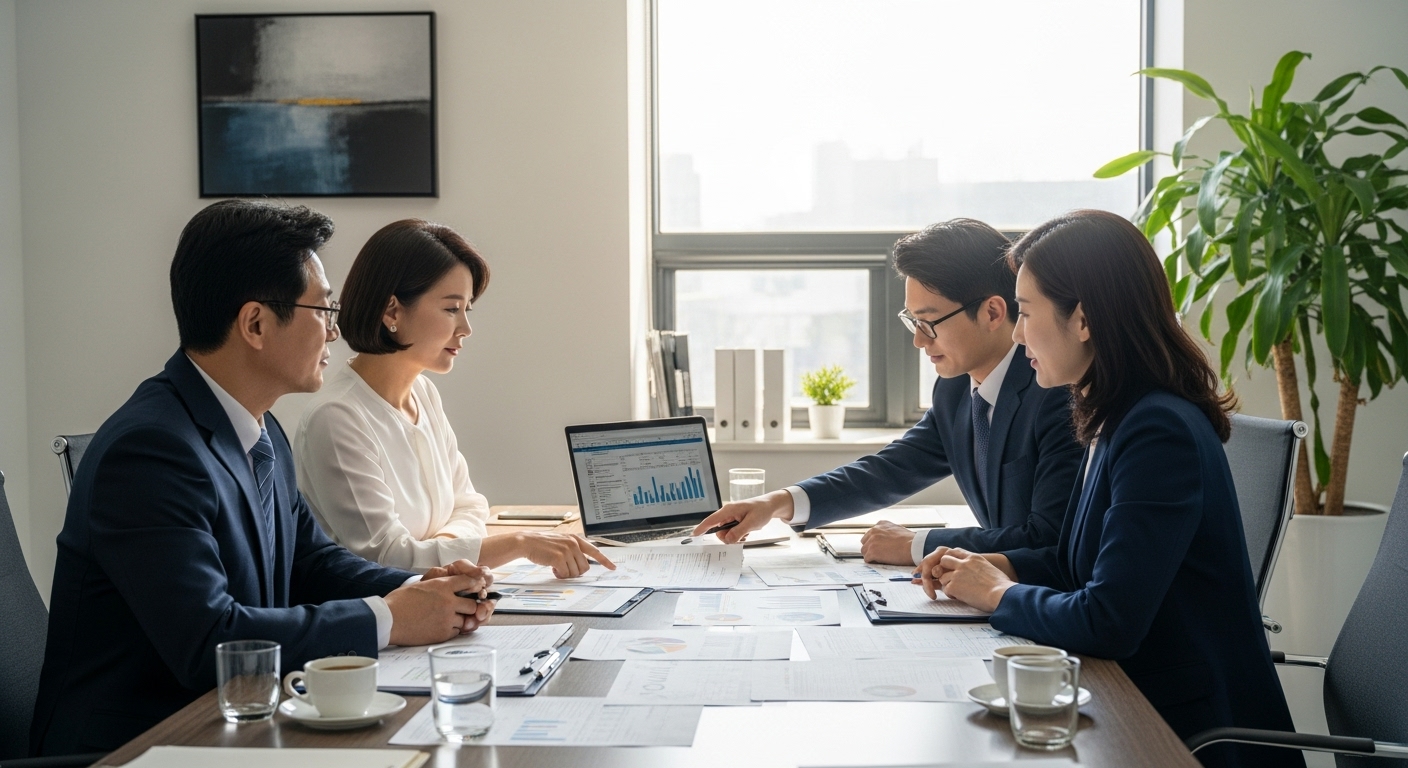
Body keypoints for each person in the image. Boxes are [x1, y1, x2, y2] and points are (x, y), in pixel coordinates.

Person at [31, 201, 496, 757]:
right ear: (255, 323)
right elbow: (210, 640)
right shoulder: (149, 450)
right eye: (323, 310)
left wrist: (423, 590)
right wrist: (389, 618)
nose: (335, 331)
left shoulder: (260, 427)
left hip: (239, 724)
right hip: (143, 745)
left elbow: (312, 562)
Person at [929, 210, 1303, 768]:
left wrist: (997, 594)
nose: (1017, 332)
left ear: (1083, 319)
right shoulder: (1115, 413)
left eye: (1027, 313)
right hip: (1131, 705)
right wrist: (990, 565)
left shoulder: (1158, 430)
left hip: (1186, 736)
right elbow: (1074, 564)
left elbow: (1109, 621)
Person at [692, 219, 1083, 567]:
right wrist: (775, 503)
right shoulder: (955, 391)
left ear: (993, 313)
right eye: (912, 321)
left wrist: (916, 545)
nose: (917, 340)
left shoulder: (1055, 395)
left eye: (929, 322)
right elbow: (892, 469)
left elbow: (1046, 538)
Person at [295, 219, 615, 577]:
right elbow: (385, 557)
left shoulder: (422, 393)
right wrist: (518, 543)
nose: (465, 328)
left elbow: (470, 506)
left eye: (467, 309)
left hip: (443, 601)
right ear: (391, 312)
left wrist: (445, 551)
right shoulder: (336, 418)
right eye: (451, 309)